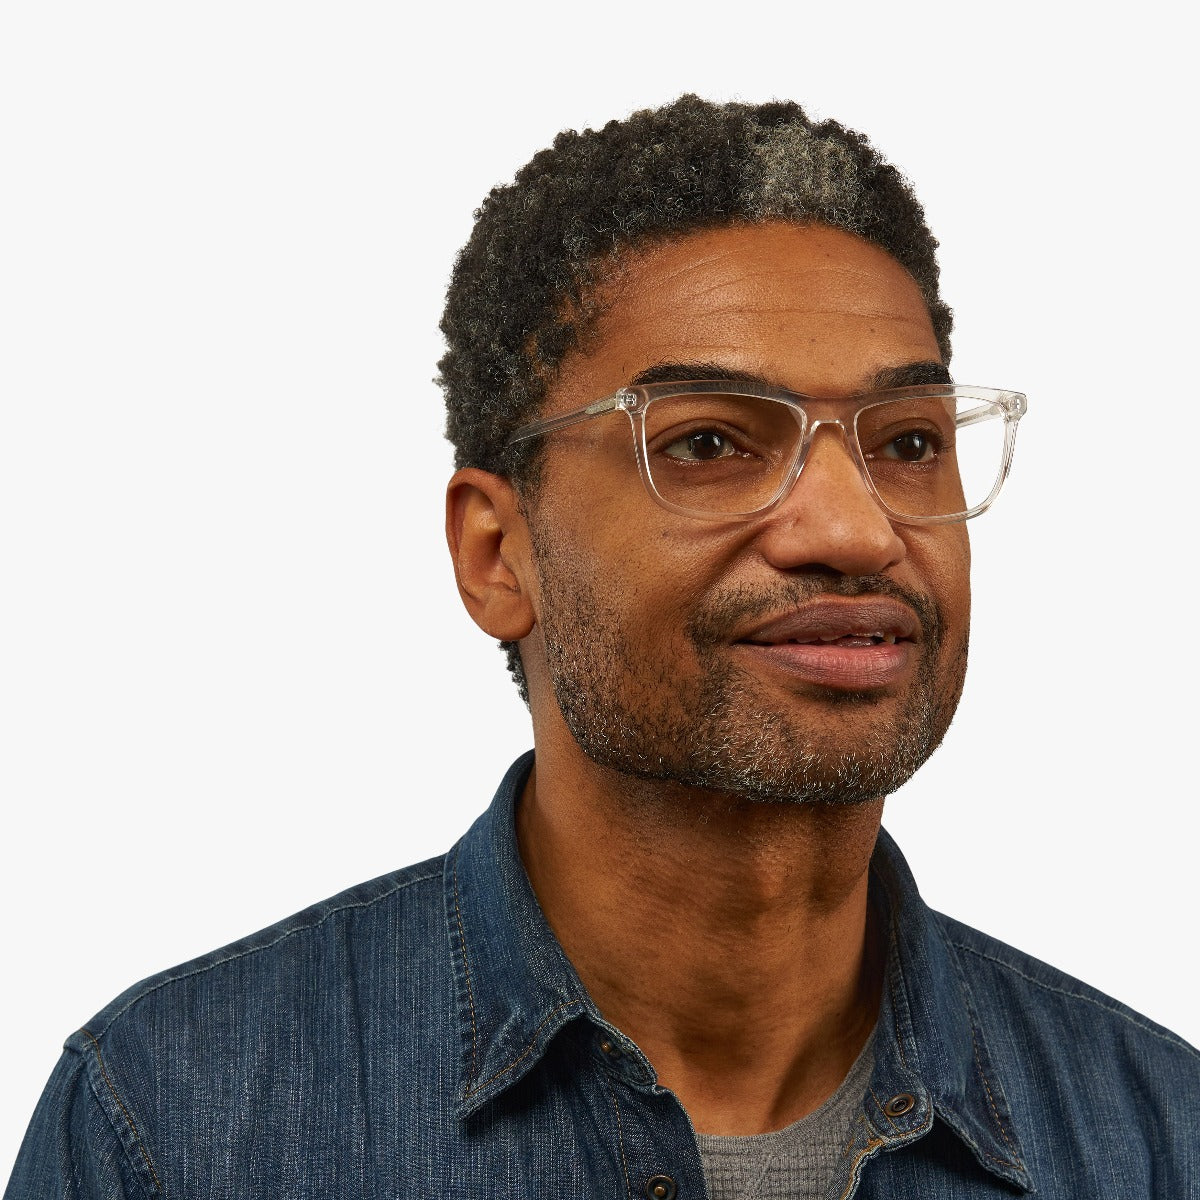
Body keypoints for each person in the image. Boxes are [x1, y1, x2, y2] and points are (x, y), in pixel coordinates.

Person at [6, 95, 1198, 1200]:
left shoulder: (1160, 1138)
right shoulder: (175, 1129)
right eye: (709, 443)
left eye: (908, 442)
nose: (855, 529)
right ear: (497, 554)